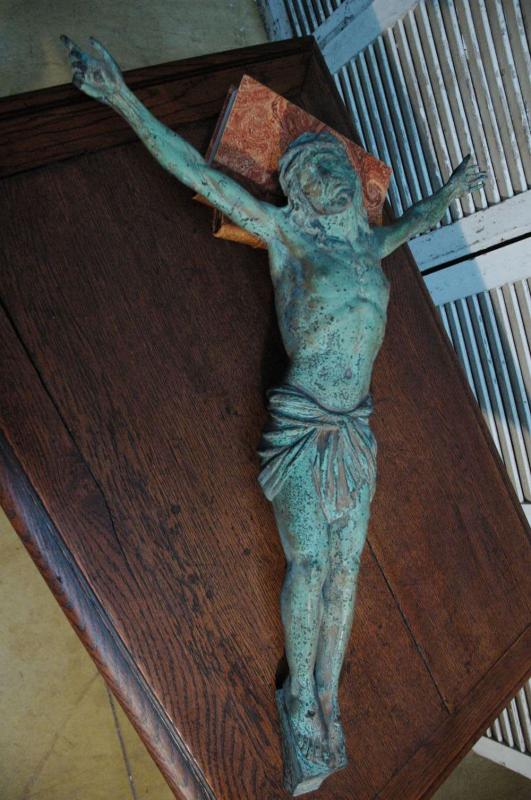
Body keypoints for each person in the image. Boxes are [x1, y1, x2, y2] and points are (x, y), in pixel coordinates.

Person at [62, 35, 487, 774]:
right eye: (308, 174)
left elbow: (414, 221)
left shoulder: (368, 247)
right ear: (295, 196)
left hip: (355, 426)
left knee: (348, 569)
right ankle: (300, 709)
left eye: (332, 168)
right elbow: (201, 174)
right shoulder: (289, 238)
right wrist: (123, 98)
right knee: (311, 563)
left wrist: (446, 197)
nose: (326, 178)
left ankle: (325, 699)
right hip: (304, 422)